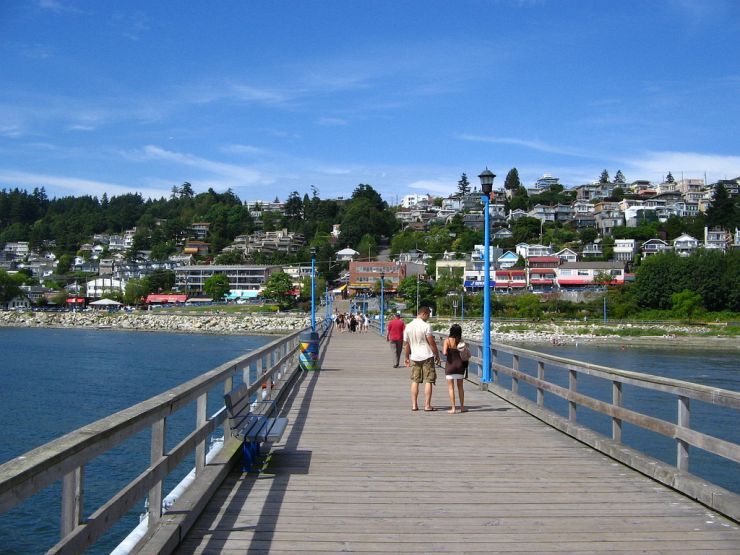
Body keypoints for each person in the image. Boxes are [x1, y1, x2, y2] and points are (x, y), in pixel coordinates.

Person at [403, 306, 440, 412]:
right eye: (428, 314)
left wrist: (406, 357)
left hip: (414, 356)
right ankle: (427, 406)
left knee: (415, 380)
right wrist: (437, 354)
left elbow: (407, 344)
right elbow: (431, 343)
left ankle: (414, 405)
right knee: (429, 380)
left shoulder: (408, 326)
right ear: (423, 313)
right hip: (427, 355)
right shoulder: (426, 326)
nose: (428, 317)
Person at [442, 324, 466, 414]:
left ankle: (453, 408)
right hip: (460, 365)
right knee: (460, 387)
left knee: (451, 388)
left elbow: (444, 352)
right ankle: (462, 407)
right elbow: (464, 352)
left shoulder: (447, 340)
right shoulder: (461, 340)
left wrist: (448, 350)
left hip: (450, 365)